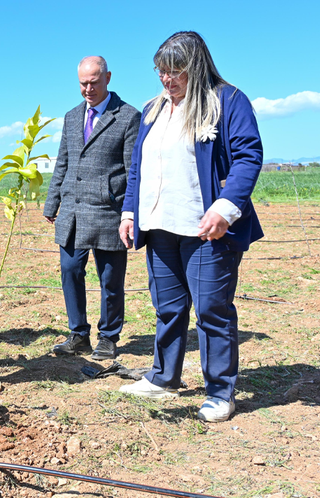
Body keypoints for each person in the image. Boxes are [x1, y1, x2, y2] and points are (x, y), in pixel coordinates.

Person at [118, 31, 263, 423]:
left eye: (175, 71)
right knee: (167, 306)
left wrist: (226, 207)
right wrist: (130, 213)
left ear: (196, 67)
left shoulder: (227, 101)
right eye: (161, 71)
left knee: (212, 309)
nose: (167, 80)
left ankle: (220, 391)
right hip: (159, 225)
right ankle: (164, 376)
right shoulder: (153, 109)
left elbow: (248, 155)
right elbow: (139, 169)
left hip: (204, 228)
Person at [43, 56, 141, 361]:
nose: (88, 89)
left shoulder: (128, 117)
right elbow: (63, 161)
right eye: (83, 83)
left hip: (109, 213)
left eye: (94, 82)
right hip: (72, 212)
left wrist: (131, 212)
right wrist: (52, 201)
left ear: (108, 78)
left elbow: (133, 169)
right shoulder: (72, 117)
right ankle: (79, 335)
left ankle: (109, 337)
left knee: (110, 279)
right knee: (70, 271)